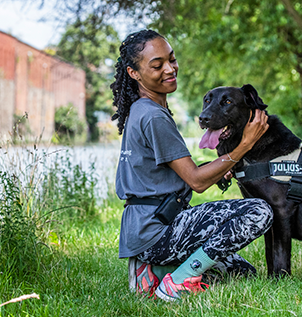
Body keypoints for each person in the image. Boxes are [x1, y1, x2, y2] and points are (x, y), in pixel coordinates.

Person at [110, 29, 273, 302]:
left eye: (171, 59)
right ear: (134, 73)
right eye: (157, 65)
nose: (169, 69)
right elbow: (196, 181)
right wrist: (245, 145)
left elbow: (178, 174)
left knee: (242, 271)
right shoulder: (153, 116)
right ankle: (178, 282)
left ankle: (151, 273)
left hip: (148, 229)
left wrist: (220, 165)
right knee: (258, 211)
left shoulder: (143, 109)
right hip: (157, 229)